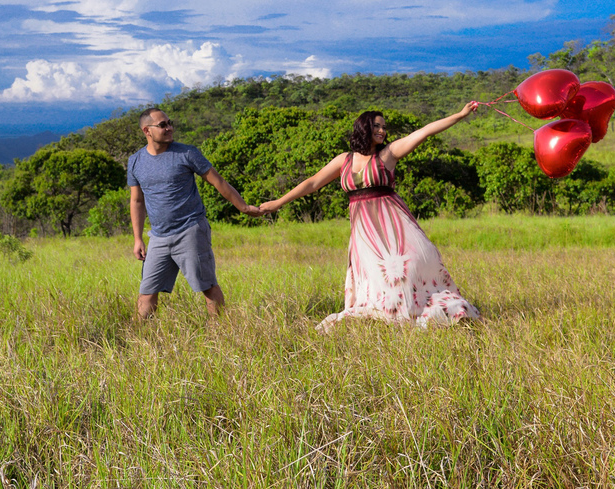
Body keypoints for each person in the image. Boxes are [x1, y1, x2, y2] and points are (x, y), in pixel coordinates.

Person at [258, 104, 482, 330]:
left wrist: (460, 115)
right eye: (376, 126)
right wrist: (278, 203)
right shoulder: (343, 160)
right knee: (376, 279)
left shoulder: (389, 153)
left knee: (405, 269)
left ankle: (413, 313)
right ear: (364, 127)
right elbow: (313, 183)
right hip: (364, 233)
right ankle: (392, 317)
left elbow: (425, 131)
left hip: (394, 225)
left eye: (384, 127)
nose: (382, 131)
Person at [129, 108, 260, 319]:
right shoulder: (135, 161)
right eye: (163, 125)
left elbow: (218, 181)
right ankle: (140, 340)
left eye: (170, 123)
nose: (169, 128)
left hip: (190, 229)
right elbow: (136, 200)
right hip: (158, 237)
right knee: (146, 294)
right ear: (147, 130)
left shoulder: (187, 153)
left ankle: (220, 334)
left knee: (207, 287)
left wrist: (243, 207)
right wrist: (137, 238)